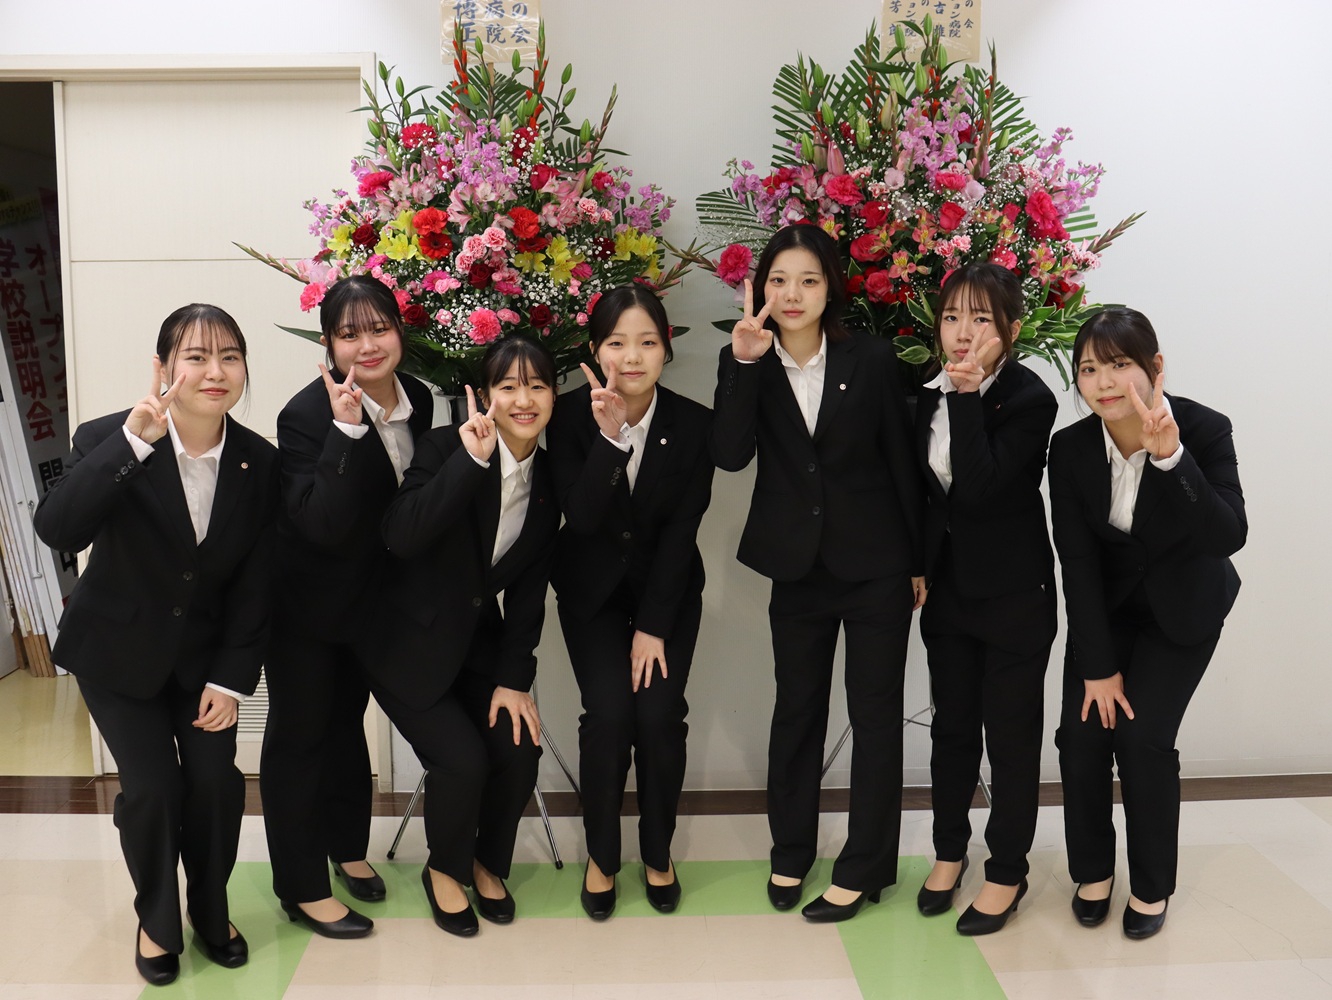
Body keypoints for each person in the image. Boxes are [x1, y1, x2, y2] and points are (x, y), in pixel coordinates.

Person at [33, 305, 278, 986]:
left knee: (216, 784)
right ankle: (158, 920)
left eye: (229, 356)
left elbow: (257, 583)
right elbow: (59, 530)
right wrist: (134, 444)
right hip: (116, 652)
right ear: (165, 366)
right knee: (151, 789)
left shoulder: (260, 461)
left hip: (204, 663)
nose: (214, 371)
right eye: (195, 357)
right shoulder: (106, 437)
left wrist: (231, 680)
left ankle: (210, 907)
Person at [710, 223, 925, 923]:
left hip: (877, 566)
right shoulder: (747, 356)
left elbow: (902, 461)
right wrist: (744, 364)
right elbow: (730, 455)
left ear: (831, 286)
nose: (792, 294)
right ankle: (791, 850)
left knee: (875, 717)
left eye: (808, 280)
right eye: (778, 280)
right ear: (759, 290)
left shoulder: (872, 357)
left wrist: (919, 560)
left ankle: (865, 865)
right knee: (797, 710)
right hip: (796, 569)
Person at [1050, 308, 1246, 940]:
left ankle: (1152, 884)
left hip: (1182, 611)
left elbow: (1228, 535)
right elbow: (1077, 563)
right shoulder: (1070, 448)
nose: (1104, 383)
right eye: (1088, 369)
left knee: (1141, 741)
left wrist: (1172, 460)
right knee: (1082, 738)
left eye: (1119, 365)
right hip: (1105, 612)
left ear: (1154, 367)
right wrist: (1097, 668)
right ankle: (1093, 873)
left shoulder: (1205, 429)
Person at [260, 275, 435, 938]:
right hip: (304, 605)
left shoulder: (419, 397)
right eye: (348, 334)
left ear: (399, 330)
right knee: (301, 739)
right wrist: (345, 429)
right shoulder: (306, 415)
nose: (367, 345)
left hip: (373, 602)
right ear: (328, 346)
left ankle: (348, 848)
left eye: (379, 328)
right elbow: (321, 523)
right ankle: (301, 887)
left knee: (348, 728)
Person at [370, 334, 560, 936]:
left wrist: (514, 679)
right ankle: (444, 870)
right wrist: (471, 463)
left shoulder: (549, 479)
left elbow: (528, 589)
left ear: (554, 396)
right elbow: (401, 535)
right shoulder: (442, 447)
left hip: (477, 649)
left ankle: (486, 862)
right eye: (508, 386)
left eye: (537, 386)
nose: (523, 400)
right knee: (462, 762)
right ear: (485, 395)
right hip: (402, 646)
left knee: (519, 749)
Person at [545, 285, 714, 920]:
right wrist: (611, 438)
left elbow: (681, 532)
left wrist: (654, 625)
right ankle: (602, 856)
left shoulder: (693, 424)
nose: (632, 357)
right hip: (591, 596)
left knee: (660, 718)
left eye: (647, 342)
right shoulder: (566, 417)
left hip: (666, 597)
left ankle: (658, 852)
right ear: (595, 351)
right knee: (610, 718)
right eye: (616, 343)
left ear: (667, 348)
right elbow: (582, 517)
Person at [912, 263, 1057, 935]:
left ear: (1012, 329)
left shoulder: (1030, 399)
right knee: (951, 731)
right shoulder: (925, 391)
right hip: (948, 593)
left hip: (1014, 595)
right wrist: (917, 566)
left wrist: (968, 397)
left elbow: (979, 486)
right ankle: (949, 852)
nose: (963, 333)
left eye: (980, 319)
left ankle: (1006, 870)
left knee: (1011, 737)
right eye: (951, 317)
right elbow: (921, 494)